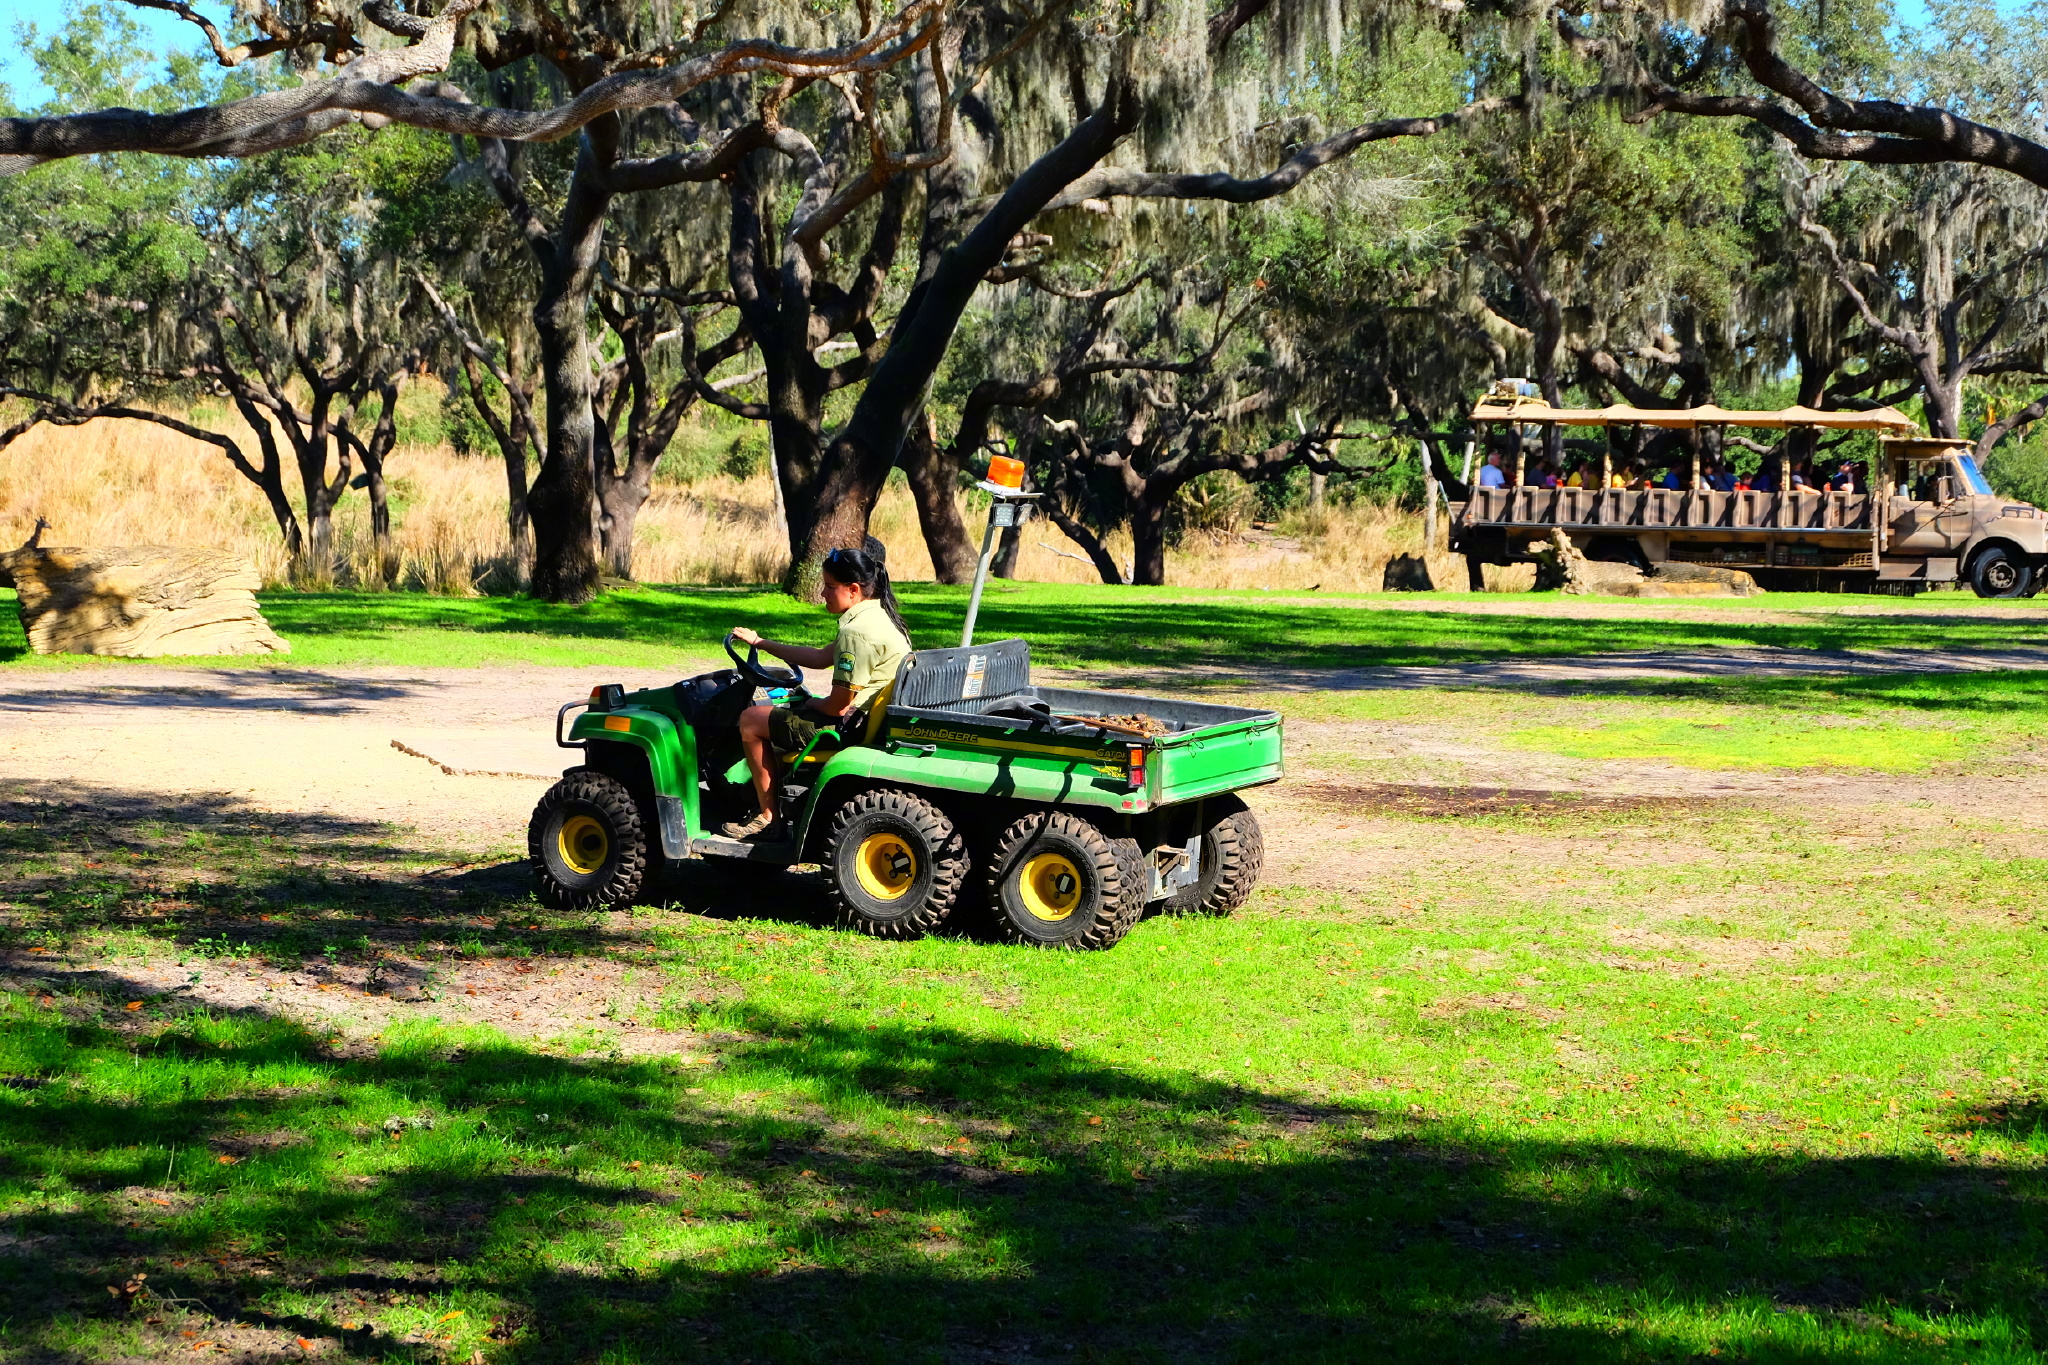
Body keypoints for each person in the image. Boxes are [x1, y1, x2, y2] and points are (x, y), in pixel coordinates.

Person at [722, 546, 913, 839]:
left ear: (852, 590)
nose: (822, 593)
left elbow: (837, 707)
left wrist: (810, 701)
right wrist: (760, 642)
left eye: (829, 586)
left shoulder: (857, 632)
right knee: (778, 712)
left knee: (750, 719)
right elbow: (818, 657)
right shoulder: (877, 619)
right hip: (860, 719)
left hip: (845, 726)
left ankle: (768, 818)